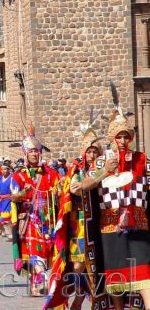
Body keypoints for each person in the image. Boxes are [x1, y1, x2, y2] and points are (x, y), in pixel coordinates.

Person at [80, 103, 150, 309]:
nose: (122, 141)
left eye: (125, 137)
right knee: (116, 279)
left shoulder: (142, 160)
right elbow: (84, 185)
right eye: (118, 137)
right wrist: (104, 172)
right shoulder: (102, 162)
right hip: (111, 226)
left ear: (130, 138)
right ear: (112, 138)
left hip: (139, 225)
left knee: (145, 275)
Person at [44, 110, 103, 309]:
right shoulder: (76, 170)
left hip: (99, 222)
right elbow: (73, 190)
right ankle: (77, 299)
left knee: (96, 266)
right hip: (78, 223)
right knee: (78, 265)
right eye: (89, 151)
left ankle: (91, 301)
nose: (92, 154)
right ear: (83, 151)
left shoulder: (104, 169)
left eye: (95, 151)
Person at [11, 125, 59, 296]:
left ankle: (34, 286)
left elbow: (59, 192)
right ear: (25, 154)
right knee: (33, 250)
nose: (34, 154)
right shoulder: (18, 176)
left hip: (48, 219)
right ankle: (43, 278)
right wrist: (22, 193)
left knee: (46, 251)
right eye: (30, 151)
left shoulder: (52, 174)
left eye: (36, 151)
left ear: (40, 153)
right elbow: (13, 197)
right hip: (30, 218)